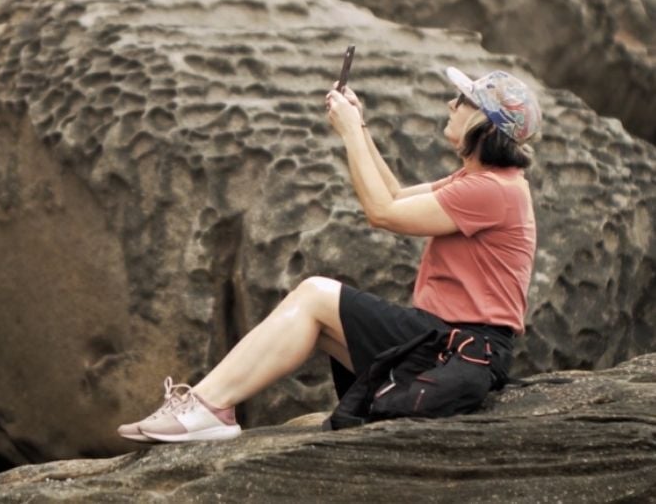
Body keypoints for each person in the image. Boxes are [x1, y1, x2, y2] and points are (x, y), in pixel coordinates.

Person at [117, 67, 542, 443]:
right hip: (446, 343)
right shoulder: (484, 181)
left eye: (463, 100)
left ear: (484, 123)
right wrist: (361, 127)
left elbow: (382, 212)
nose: (451, 103)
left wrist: (350, 132)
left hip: (458, 347)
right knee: (315, 324)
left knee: (315, 294)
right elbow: (395, 195)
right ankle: (208, 407)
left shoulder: (492, 190)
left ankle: (206, 408)